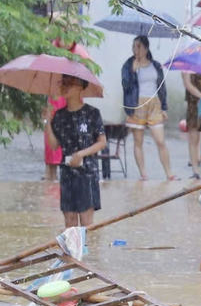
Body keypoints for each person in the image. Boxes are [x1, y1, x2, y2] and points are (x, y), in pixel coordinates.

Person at [45, 74, 105, 230]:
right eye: (63, 83)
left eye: (69, 83)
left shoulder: (92, 113)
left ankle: (87, 254)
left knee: (86, 222)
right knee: (70, 221)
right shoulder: (59, 116)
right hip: (67, 173)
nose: (64, 87)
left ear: (80, 87)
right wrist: (46, 122)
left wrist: (81, 154)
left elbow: (102, 142)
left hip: (87, 173)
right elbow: (54, 145)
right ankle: (71, 254)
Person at [119, 35, 172, 180]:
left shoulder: (155, 65)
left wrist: (164, 107)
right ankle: (143, 173)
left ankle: (169, 173)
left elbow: (162, 87)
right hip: (137, 104)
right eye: (134, 46)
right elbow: (125, 86)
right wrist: (132, 72)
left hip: (154, 103)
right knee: (138, 141)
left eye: (138, 46)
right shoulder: (128, 65)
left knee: (160, 141)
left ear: (146, 48)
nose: (135, 49)